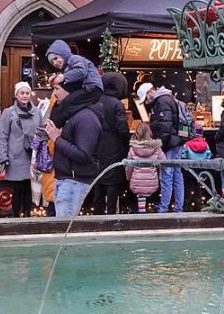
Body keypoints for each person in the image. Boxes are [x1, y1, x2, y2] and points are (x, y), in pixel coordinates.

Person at [44, 85, 101, 218]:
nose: (54, 93)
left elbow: (83, 154)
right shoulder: (73, 114)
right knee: (62, 228)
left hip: (74, 181)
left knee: (65, 230)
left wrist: (57, 138)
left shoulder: (86, 117)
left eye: (57, 88)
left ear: (70, 92)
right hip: (65, 178)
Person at [0, 81, 43, 217]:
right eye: (22, 93)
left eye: (27, 93)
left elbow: (41, 134)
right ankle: (17, 216)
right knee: (17, 189)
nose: (25, 96)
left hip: (32, 157)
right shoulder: (8, 113)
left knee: (29, 189)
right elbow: (3, 136)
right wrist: (3, 157)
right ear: (16, 95)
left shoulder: (37, 113)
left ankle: (28, 215)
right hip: (15, 158)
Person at [138, 82, 184, 212]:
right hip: (176, 141)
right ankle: (178, 208)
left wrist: (160, 145)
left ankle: (164, 208)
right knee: (176, 175)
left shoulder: (161, 102)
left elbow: (165, 127)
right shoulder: (168, 98)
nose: (146, 102)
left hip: (169, 143)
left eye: (145, 98)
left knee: (166, 176)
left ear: (150, 92)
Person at [92, 72, 131, 215]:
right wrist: (127, 142)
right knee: (112, 185)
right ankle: (111, 217)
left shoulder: (95, 101)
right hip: (114, 148)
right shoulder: (116, 104)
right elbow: (122, 129)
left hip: (97, 146)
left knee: (99, 183)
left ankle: (97, 217)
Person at [45, 39, 103, 126]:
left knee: (68, 102)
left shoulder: (74, 58)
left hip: (91, 87)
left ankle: (53, 126)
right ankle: (52, 125)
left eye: (56, 58)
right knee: (66, 103)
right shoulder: (67, 66)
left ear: (63, 53)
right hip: (88, 88)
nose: (55, 63)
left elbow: (82, 71)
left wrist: (63, 76)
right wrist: (57, 79)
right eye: (52, 62)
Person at [126, 123, 164, 212]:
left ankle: (141, 214)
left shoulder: (132, 149)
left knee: (140, 203)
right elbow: (164, 161)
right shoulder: (156, 148)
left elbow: (128, 168)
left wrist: (129, 178)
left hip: (136, 184)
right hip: (152, 184)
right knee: (149, 203)